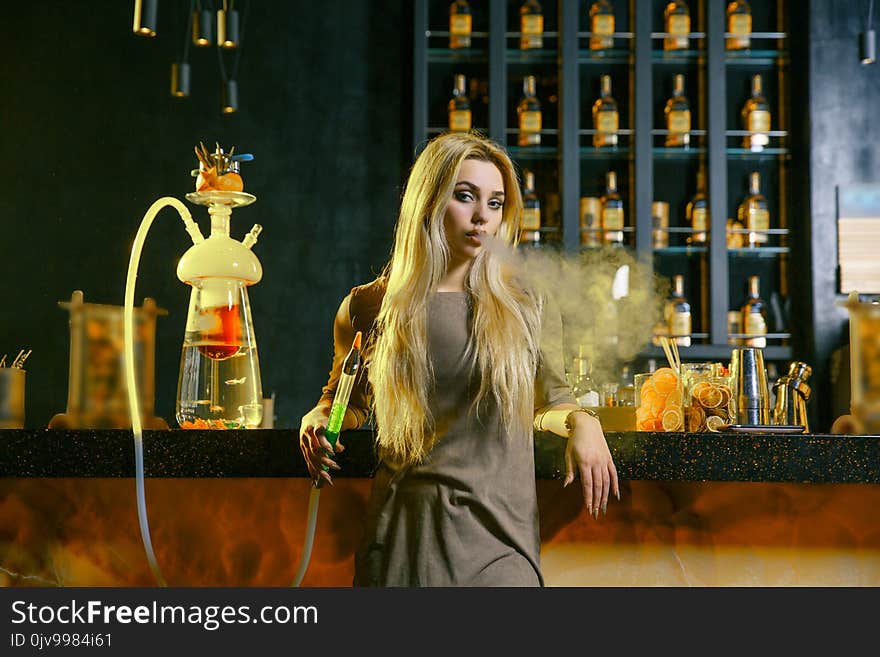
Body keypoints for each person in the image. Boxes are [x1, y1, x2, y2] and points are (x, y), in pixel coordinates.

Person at [299, 131, 619, 587]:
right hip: (401, 543)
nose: (481, 218)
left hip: (502, 546)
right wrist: (317, 417)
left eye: (494, 203)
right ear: (428, 202)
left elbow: (550, 401)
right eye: (465, 197)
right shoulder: (370, 306)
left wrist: (584, 423)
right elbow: (347, 401)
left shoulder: (527, 302)